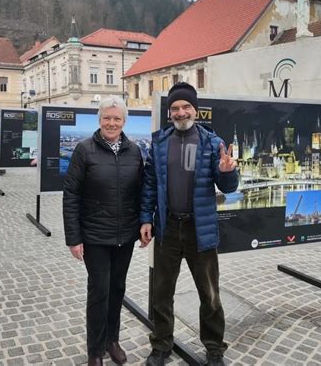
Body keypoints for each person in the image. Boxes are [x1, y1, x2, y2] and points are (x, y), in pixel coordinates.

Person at [139, 82, 239, 366]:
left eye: (185, 107)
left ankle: (214, 348)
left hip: (201, 230)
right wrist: (146, 218)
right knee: (161, 293)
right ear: (169, 112)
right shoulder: (159, 142)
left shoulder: (212, 143)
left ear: (195, 110)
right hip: (167, 228)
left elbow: (228, 187)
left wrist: (227, 172)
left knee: (209, 295)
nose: (180, 112)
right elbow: (149, 185)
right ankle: (161, 346)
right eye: (175, 108)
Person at [63, 96, 143, 366]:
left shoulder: (134, 151)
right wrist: (74, 238)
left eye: (116, 118)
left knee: (117, 289)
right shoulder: (84, 150)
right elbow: (71, 195)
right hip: (95, 236)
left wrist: (145, 223)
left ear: (124, 122)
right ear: (99, 120)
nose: (111, 123)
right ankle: (95, 350)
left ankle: (112, 340)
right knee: (99, 291)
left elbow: (141, 192)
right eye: (107, 118)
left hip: (125, 235)